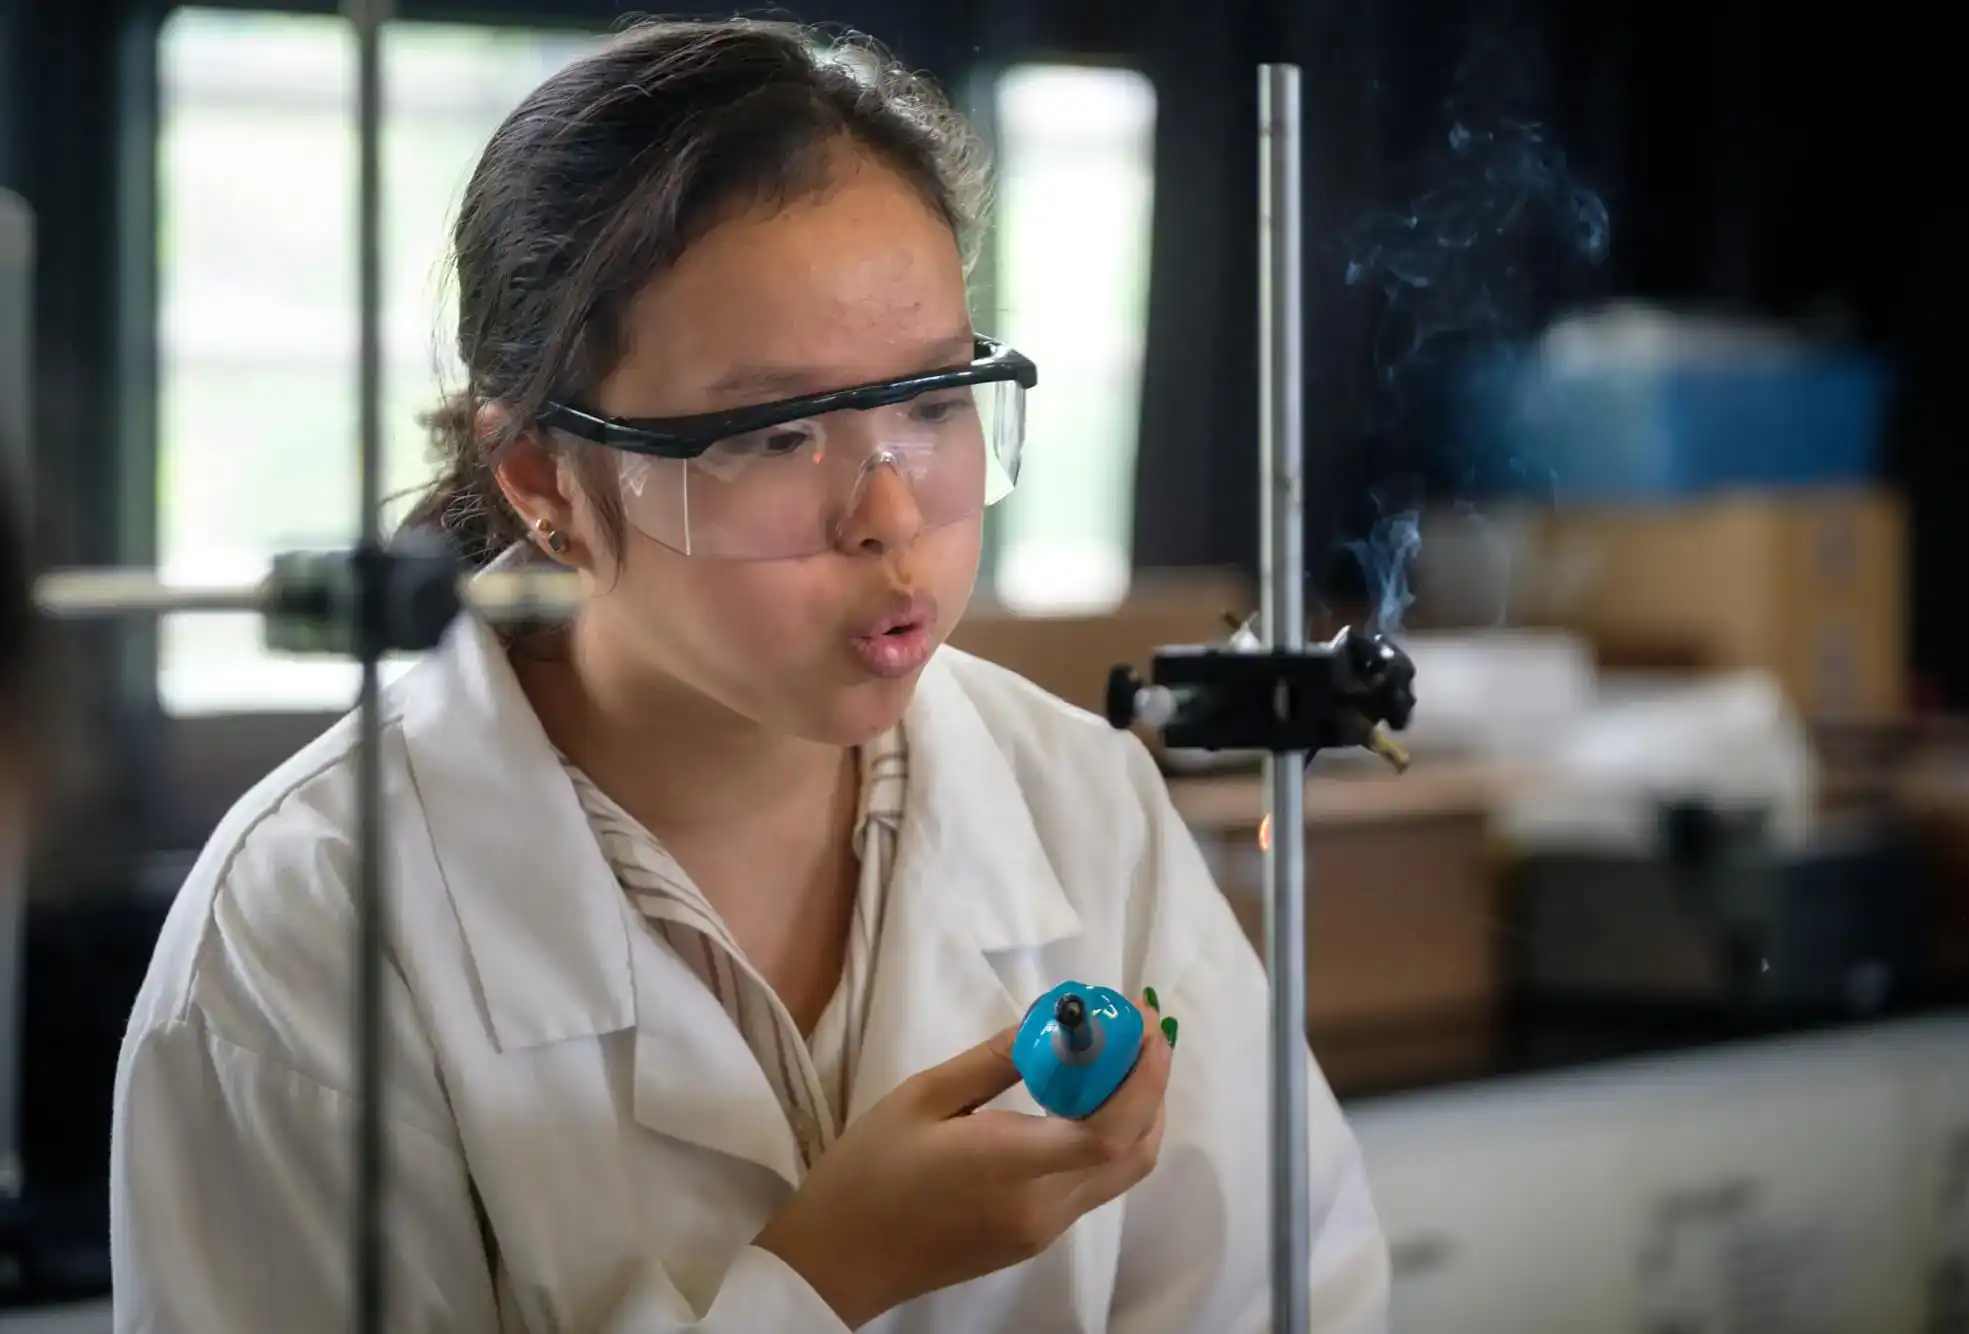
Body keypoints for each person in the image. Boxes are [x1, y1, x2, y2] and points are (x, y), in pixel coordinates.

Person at [109, 19, 1389, 1333]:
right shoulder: (308, 924)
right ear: (546, 480)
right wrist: (824, 1280)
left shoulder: (1081, 799)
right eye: (776, 433)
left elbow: (1295, 1296)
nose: (890, 518)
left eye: (935, 401)